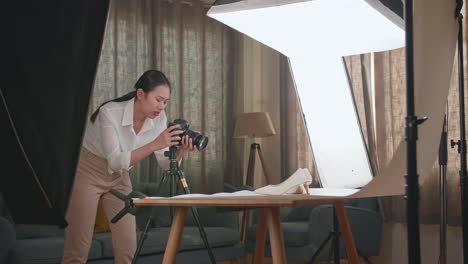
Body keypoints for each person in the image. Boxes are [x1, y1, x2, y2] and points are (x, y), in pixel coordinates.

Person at [62, 70, 196, 264]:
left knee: (128, 248)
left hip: (120, 176)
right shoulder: (109, 112)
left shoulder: (159, 118)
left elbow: (166, 165)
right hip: (88, 171)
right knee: (78, 249)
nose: (161, 106)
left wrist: (181, 150)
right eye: (158, 99)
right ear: (140, 94)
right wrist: (155, 144)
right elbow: (115, 160)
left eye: (165, 101)